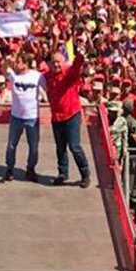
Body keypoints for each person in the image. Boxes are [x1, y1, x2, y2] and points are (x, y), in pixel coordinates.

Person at [42, 49, 90, 187]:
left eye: (58, 62)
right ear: (50, 64)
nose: (56, 64)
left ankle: (85, 174)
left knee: (74, 146)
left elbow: (76, 67)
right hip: (57, 117)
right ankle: (63, 173)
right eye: (53, 62)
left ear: (63, 63)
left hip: (72, 114)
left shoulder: (69, 74)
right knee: (60, 147)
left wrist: (80, 54)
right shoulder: (47, 76)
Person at [3, 50, 46, 182]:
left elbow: (47, 88)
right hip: (16, 116)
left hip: (32, 117)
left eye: (19, 62)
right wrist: (7, 60)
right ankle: (10, 168)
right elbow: (4, 69)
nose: (16, 64)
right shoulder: (14, 76)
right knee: (11, 145)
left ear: (26, 63)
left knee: (33, 147)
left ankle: (30, 169)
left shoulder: (38, 76)